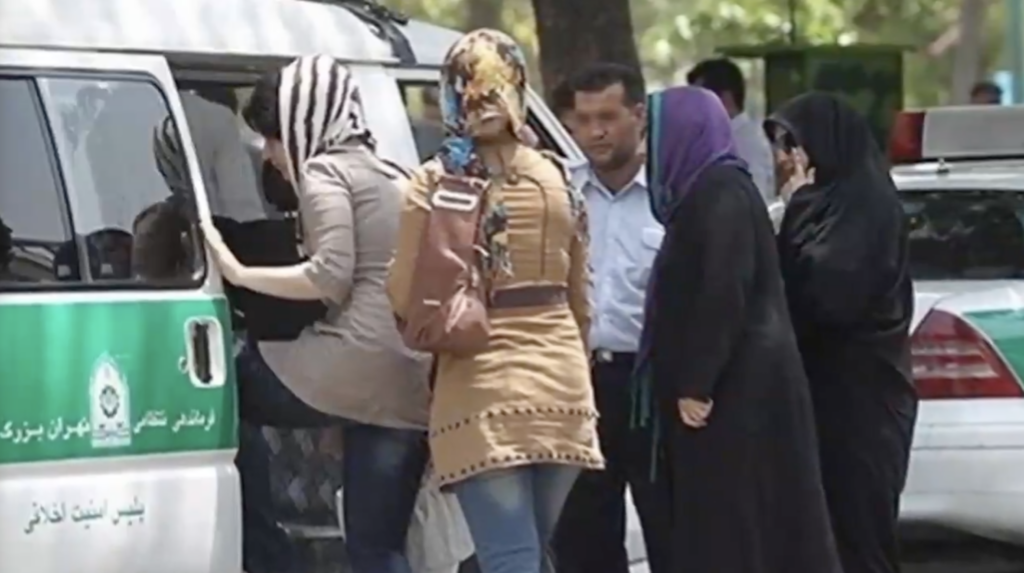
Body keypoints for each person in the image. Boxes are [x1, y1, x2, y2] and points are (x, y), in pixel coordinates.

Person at [200, 55, 433, 573]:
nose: (270, 153)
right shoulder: (389, 171)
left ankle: (264, 551)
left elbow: (329, 275)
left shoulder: (326, 171)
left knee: (220, 385)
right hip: (407, 377)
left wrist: (236, 272)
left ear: (303, 122)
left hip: (353, 363)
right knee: (378, 547)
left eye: (274, 137)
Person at [387, 29, 602, 573]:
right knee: (527, 551)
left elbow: (403, 292)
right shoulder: (556, 177)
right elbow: (581, 297)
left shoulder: (435, 182)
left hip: (482, 394)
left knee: (510, 558)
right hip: (563, 391)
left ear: (452, 94)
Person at [635, 84, 843, 573]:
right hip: (733, 387)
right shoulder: (709, 191)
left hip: (733, 392)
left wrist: (697, 383)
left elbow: (723, 291)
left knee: (735, 524)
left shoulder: (720, 192)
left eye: (653, 133)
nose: (647, 148)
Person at [766, 92, 918, 573]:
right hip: (820, 395)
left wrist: (799, 209)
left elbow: (828, 296)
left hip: (860, 401)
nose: (785, 159)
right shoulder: (824, 208)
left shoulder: (864, 207)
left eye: (793, 144)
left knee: (859, 536)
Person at [551, 62, 671, 573]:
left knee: (669, 526)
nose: (595, 131)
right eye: (583, 119)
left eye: (608, 116)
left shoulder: (671, 196)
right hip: (578, 383)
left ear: (638, 115)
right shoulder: (559, 193)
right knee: (583, 536)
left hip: (651, 387)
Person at [687, 58, 775, 202]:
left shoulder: (747, 142)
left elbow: (756, 199)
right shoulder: (714, 139)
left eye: (699, 101)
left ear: (725, 99)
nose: (694, 109)